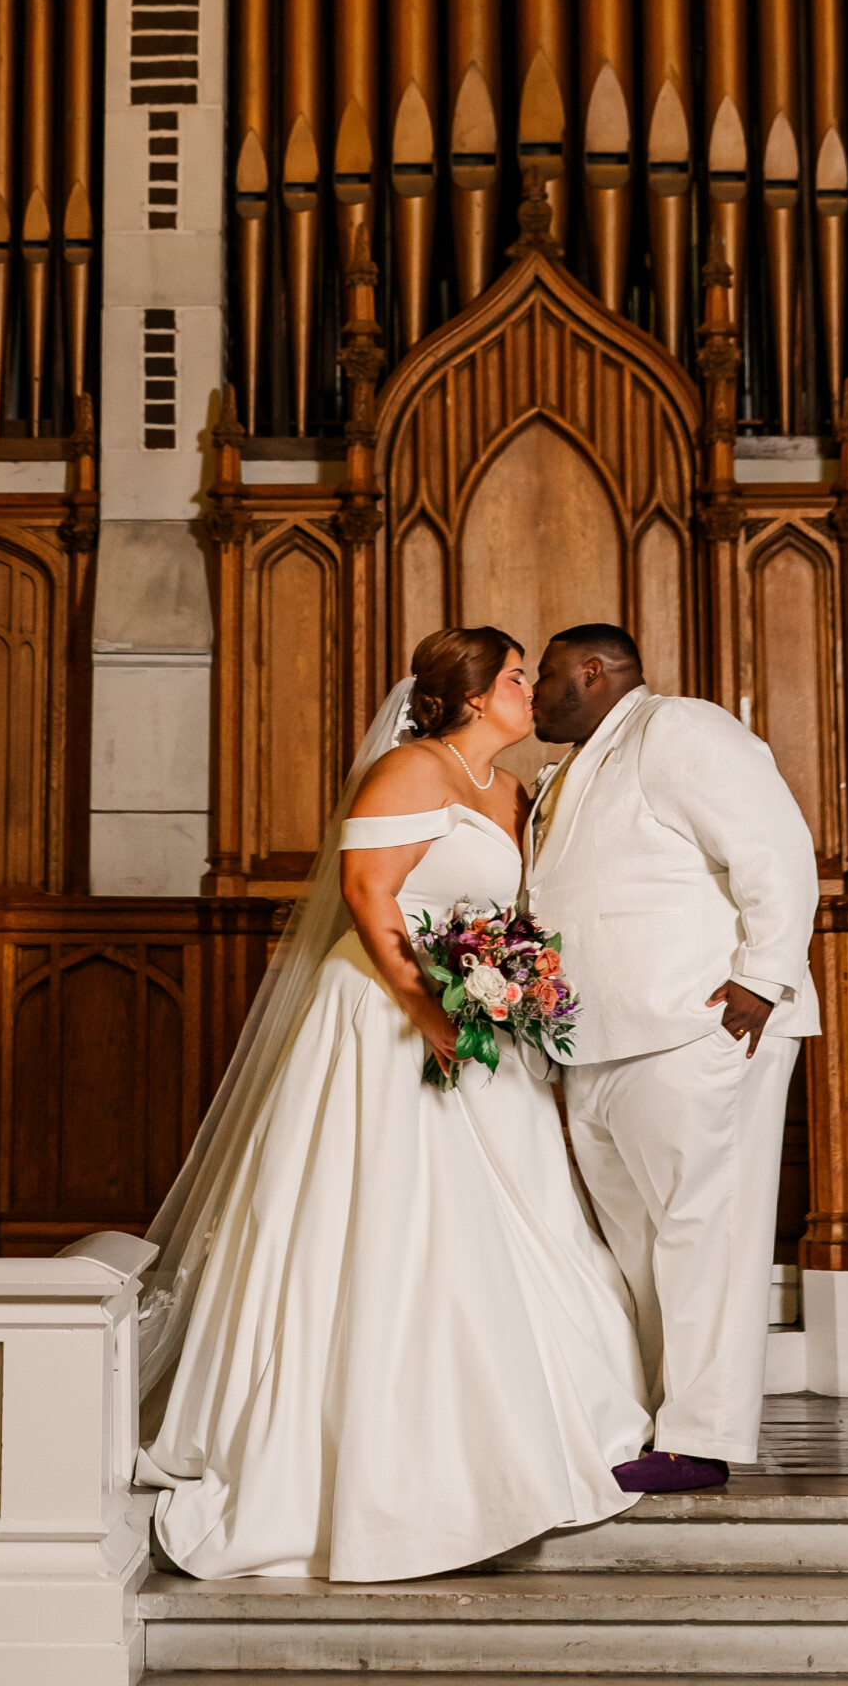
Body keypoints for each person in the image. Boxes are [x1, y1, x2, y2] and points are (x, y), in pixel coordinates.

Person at [139, 625, 649, 1583]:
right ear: (468, 694)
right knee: (388, 1216)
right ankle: (365, 1457)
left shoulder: (514, 789)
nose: (528, 690)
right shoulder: (409, 773)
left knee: (523, 1219)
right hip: (384, 1017)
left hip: (478, 1021)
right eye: (514, 676)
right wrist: (427, 1011)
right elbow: (372, 897)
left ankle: (532, 1421)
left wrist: (508, 990)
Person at [526, 623, 820, 1495]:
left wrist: (761, 980)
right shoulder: (570, 769)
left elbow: (775, 850)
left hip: (700, 1026)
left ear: (591, 671)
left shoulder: (681, 729)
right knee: (638, 1244)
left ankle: (702, 1437)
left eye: (543, 678)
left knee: (706, 1234)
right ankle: (658, 1417)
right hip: (599, 1040)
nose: (535, 696)